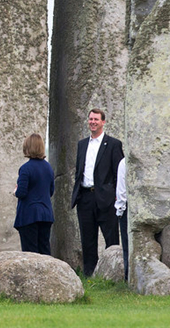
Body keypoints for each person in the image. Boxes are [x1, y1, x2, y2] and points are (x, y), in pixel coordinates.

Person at [70, 108, 124, 276]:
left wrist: (115, 196)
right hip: (85, 197)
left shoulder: (113, 144)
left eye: (96, 119)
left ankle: (114, 274)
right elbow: (79, 170)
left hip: (106, 199)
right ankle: (89, 274)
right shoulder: (82, 144)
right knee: (87, 239)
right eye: (91, 119)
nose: (93, 122)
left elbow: (119, 173)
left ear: (103, 122)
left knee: (111, 238)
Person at [14, 133, 55, 255]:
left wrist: (15, 191)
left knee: (30, 253)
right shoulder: (48, 168)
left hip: (29, 215)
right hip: (46, 214)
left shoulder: (25, 168)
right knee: (45, 251)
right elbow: (51, 191)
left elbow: (21, 192)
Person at [114, 155, 129, 282]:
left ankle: (128, 276)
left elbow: (121, 190)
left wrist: (120, 209)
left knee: (127, 246)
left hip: (127, 208)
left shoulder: (125, 162)